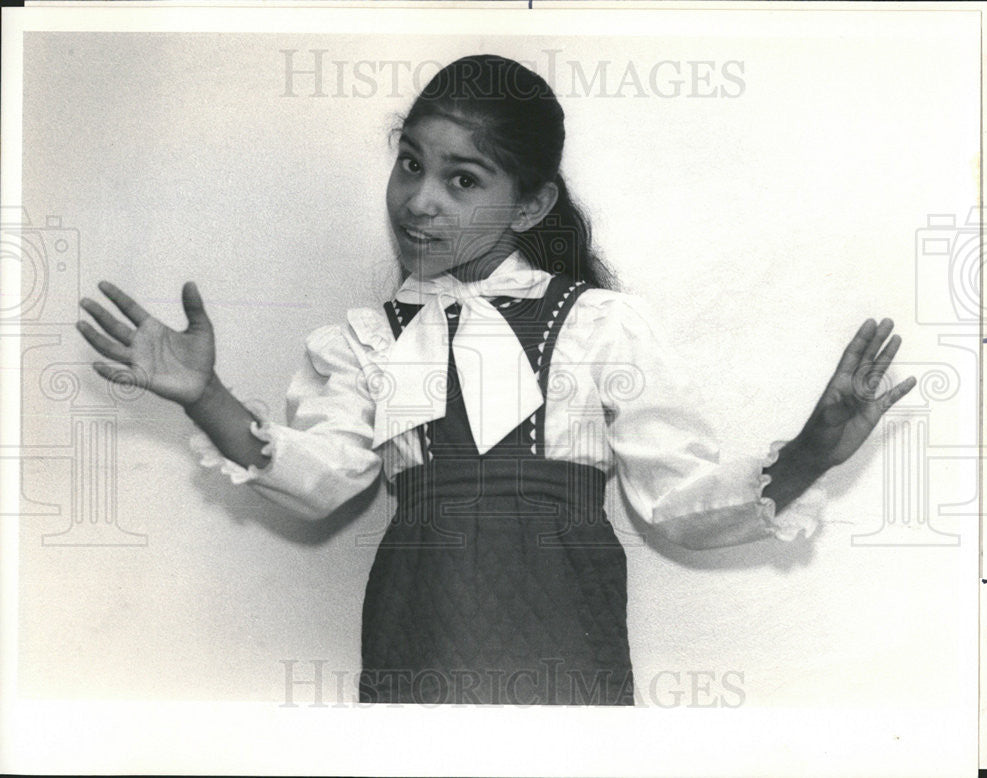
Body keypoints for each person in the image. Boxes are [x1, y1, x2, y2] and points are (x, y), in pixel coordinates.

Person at [76, 54, 916, 706]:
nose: (420, 201)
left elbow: (678, 505)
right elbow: (320, 482)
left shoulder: (599, 325)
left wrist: (808, 454)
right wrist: (206, 395)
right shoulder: (367, 340)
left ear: (530, 205)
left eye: (461, 179)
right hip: (419, 637)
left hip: (564, 640)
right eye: (411, 164)